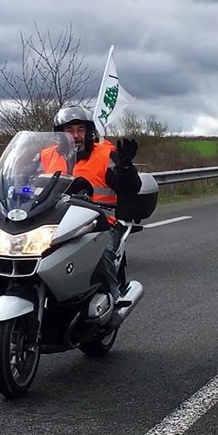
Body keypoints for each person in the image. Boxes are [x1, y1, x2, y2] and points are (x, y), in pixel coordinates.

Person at [44, 106, 141, 301]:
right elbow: (23, 182)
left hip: (100, 222)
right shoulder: (45, 156)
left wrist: (125, 168)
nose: (76, 135)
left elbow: (129, 188)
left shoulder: (105, 155)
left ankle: (114, 300)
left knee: (101, 254)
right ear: (59, 133)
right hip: (53, 221)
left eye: (81, 129)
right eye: (69, 130)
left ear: (89, 132)